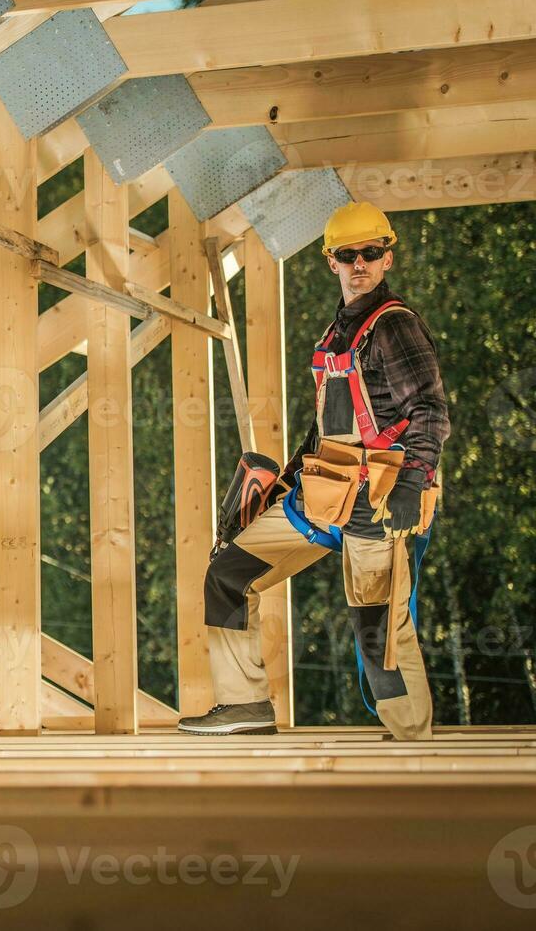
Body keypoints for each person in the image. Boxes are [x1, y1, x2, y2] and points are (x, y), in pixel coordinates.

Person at [178, 202, 450, 739]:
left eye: (370, 253)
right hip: (322, 495)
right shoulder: (337, 332)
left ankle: (413, 737)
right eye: (347, 255)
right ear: (332, 262)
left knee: (378, 627)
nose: (359, 264)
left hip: (378, 502)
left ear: (386, 258)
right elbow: (327, 424)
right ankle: (245, 706)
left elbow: (431, 412)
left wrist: (413, 479)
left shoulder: (395, 327)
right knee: (229, 573)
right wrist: (283, 482)